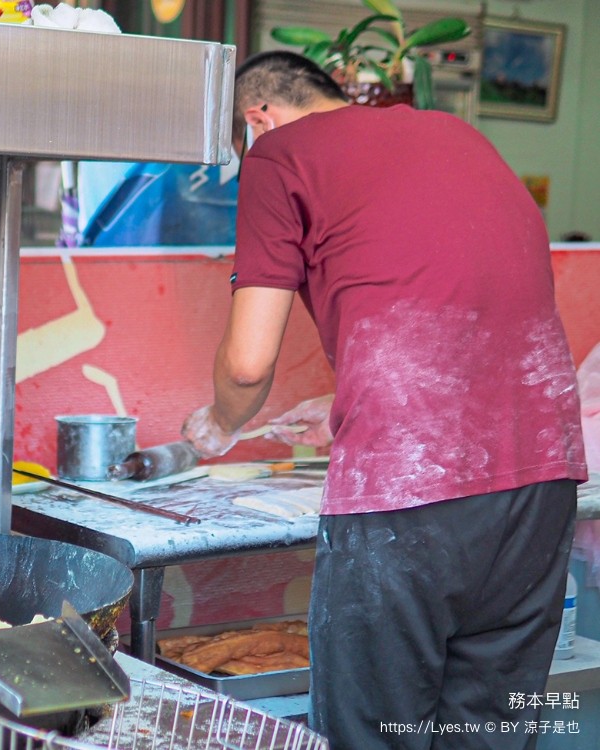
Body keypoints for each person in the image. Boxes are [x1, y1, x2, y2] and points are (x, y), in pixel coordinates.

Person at [181, 51, 587, 750]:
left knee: (375, 734)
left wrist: (219, 422)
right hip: (542, 485)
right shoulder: (458, 136)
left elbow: (248, 365)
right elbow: (469, 299)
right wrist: (354, 396)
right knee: (490, 728)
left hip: (409, 504)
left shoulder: (279, 154)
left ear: (258, 117)